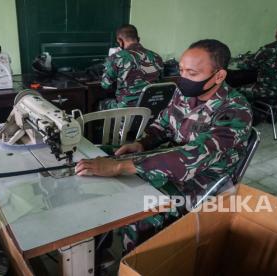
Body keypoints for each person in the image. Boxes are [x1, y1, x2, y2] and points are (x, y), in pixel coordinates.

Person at [76, 39, 252, 253]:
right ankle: (96, 249)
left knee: (136, 211)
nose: (183, 78)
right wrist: (142, 143)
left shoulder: (236, 110)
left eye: (192, 73)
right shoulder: (185, 93)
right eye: (181, 70)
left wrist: (120, 167)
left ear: (219, 75)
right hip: (168, 158)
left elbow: (193, 157)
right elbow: (163, 124)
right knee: (103, 155)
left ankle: (136, 261)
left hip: (202, 180)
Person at [100, 24, 164, 109]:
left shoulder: (117, 57)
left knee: (100, 103)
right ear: (138, 39)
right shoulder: (156, 57)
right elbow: (160, 81)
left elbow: (105, 85)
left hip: (126, 110)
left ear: (120, 41)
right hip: (150, 108)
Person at [237, 19, 277, 104]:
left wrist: (240, 61)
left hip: (267, 90)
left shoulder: (270, 48)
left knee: (235, 91)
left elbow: (251, 64)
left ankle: (244, 114)